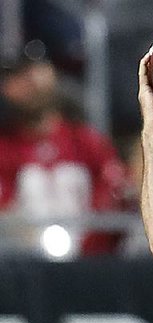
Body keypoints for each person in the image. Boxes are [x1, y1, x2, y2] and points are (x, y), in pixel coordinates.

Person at [0, 51, 130, 255]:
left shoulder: (87, 141)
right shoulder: (4, 147)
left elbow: (112, 199)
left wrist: (87, 248)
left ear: (51, 72)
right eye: (15, 76)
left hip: (89, 262)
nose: (28, 83)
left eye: (33, 71)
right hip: (22, 265)